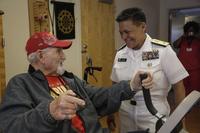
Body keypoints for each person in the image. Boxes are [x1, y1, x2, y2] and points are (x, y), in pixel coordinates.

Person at [0, 32, 153, 133]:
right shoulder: (21, 84)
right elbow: (10, 126)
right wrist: (49, 112)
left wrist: (131, 85)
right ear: (41, 56)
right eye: (59, 52)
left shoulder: (69, 79)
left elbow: (100, 95)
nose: (64, 57)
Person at [107, 7, 189, 133]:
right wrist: (111, 113)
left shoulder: (163, 51)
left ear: (143, 27)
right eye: (121, 33)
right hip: (126, 116)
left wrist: (180, 120)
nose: (124, 37)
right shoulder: (120, 53)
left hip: (153, 116)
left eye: (127, 32)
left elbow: (178, 86)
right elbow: (115, 86)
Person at [173, 21, 200, 96]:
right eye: (189, 30)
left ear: (196, 31)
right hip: (182, 69)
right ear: (186, 30)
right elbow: (174, 45)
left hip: (195, 70)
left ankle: (195, 104)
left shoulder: (198, 40)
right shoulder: (182, 40)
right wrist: (182, 36)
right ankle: (184, 102)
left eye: (192, 30)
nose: (190, 32)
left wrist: (197, 36)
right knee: (182, 87)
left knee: (195, 88)